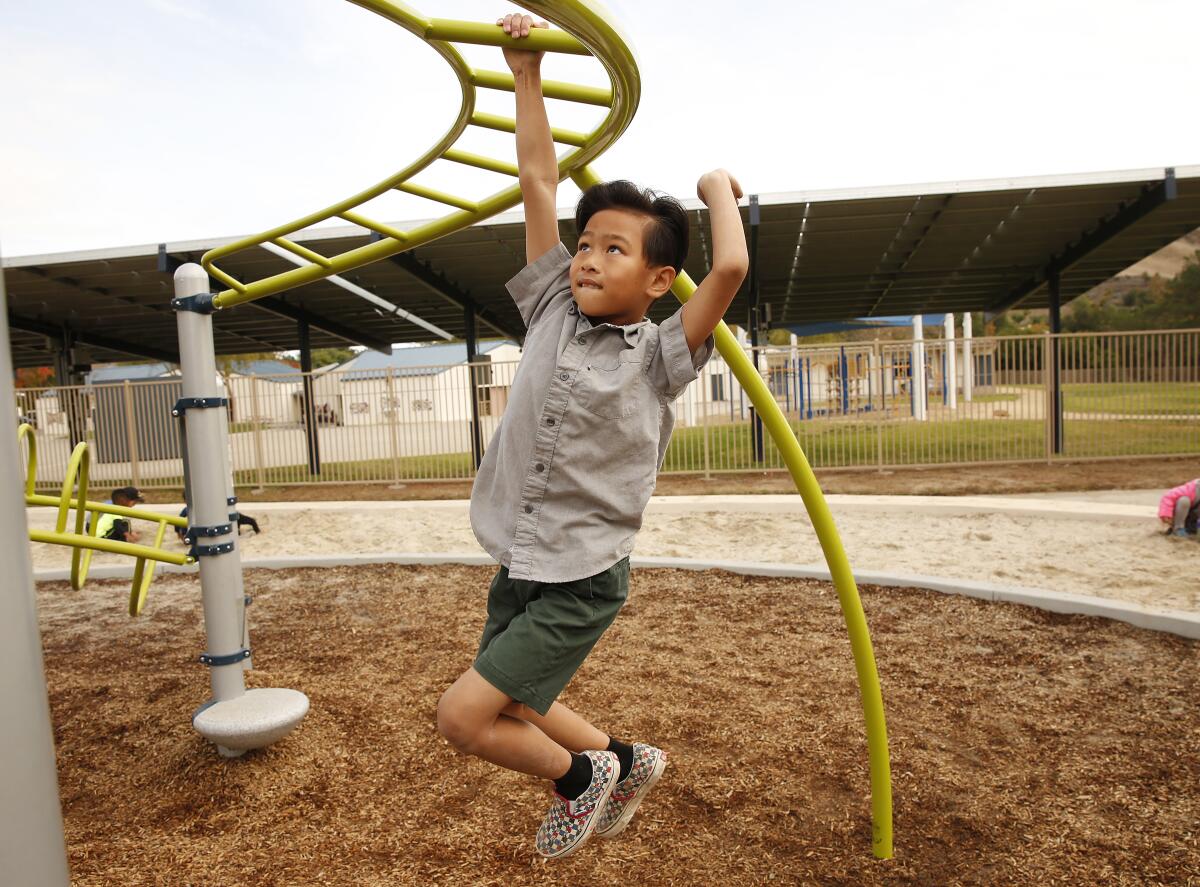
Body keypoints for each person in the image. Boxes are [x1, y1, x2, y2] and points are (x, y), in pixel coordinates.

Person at [435, 14, 748, 860]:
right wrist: (524, 72)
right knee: (524, 701)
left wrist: (717, 188)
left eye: (614, 248)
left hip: (581, 572)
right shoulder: (547, 308)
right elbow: (537, 178)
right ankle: (623, 757)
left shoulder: (659, 354)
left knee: (464, 715)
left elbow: (728, 271)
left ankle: (579, 779)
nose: (587, 258)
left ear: (655, 278)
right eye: (585, 244)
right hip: (522, 556)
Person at [174, 506, 261, 542]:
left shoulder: (188, 510)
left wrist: (179, 534)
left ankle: (254, 531)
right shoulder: (188, 510)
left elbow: (177, 522)